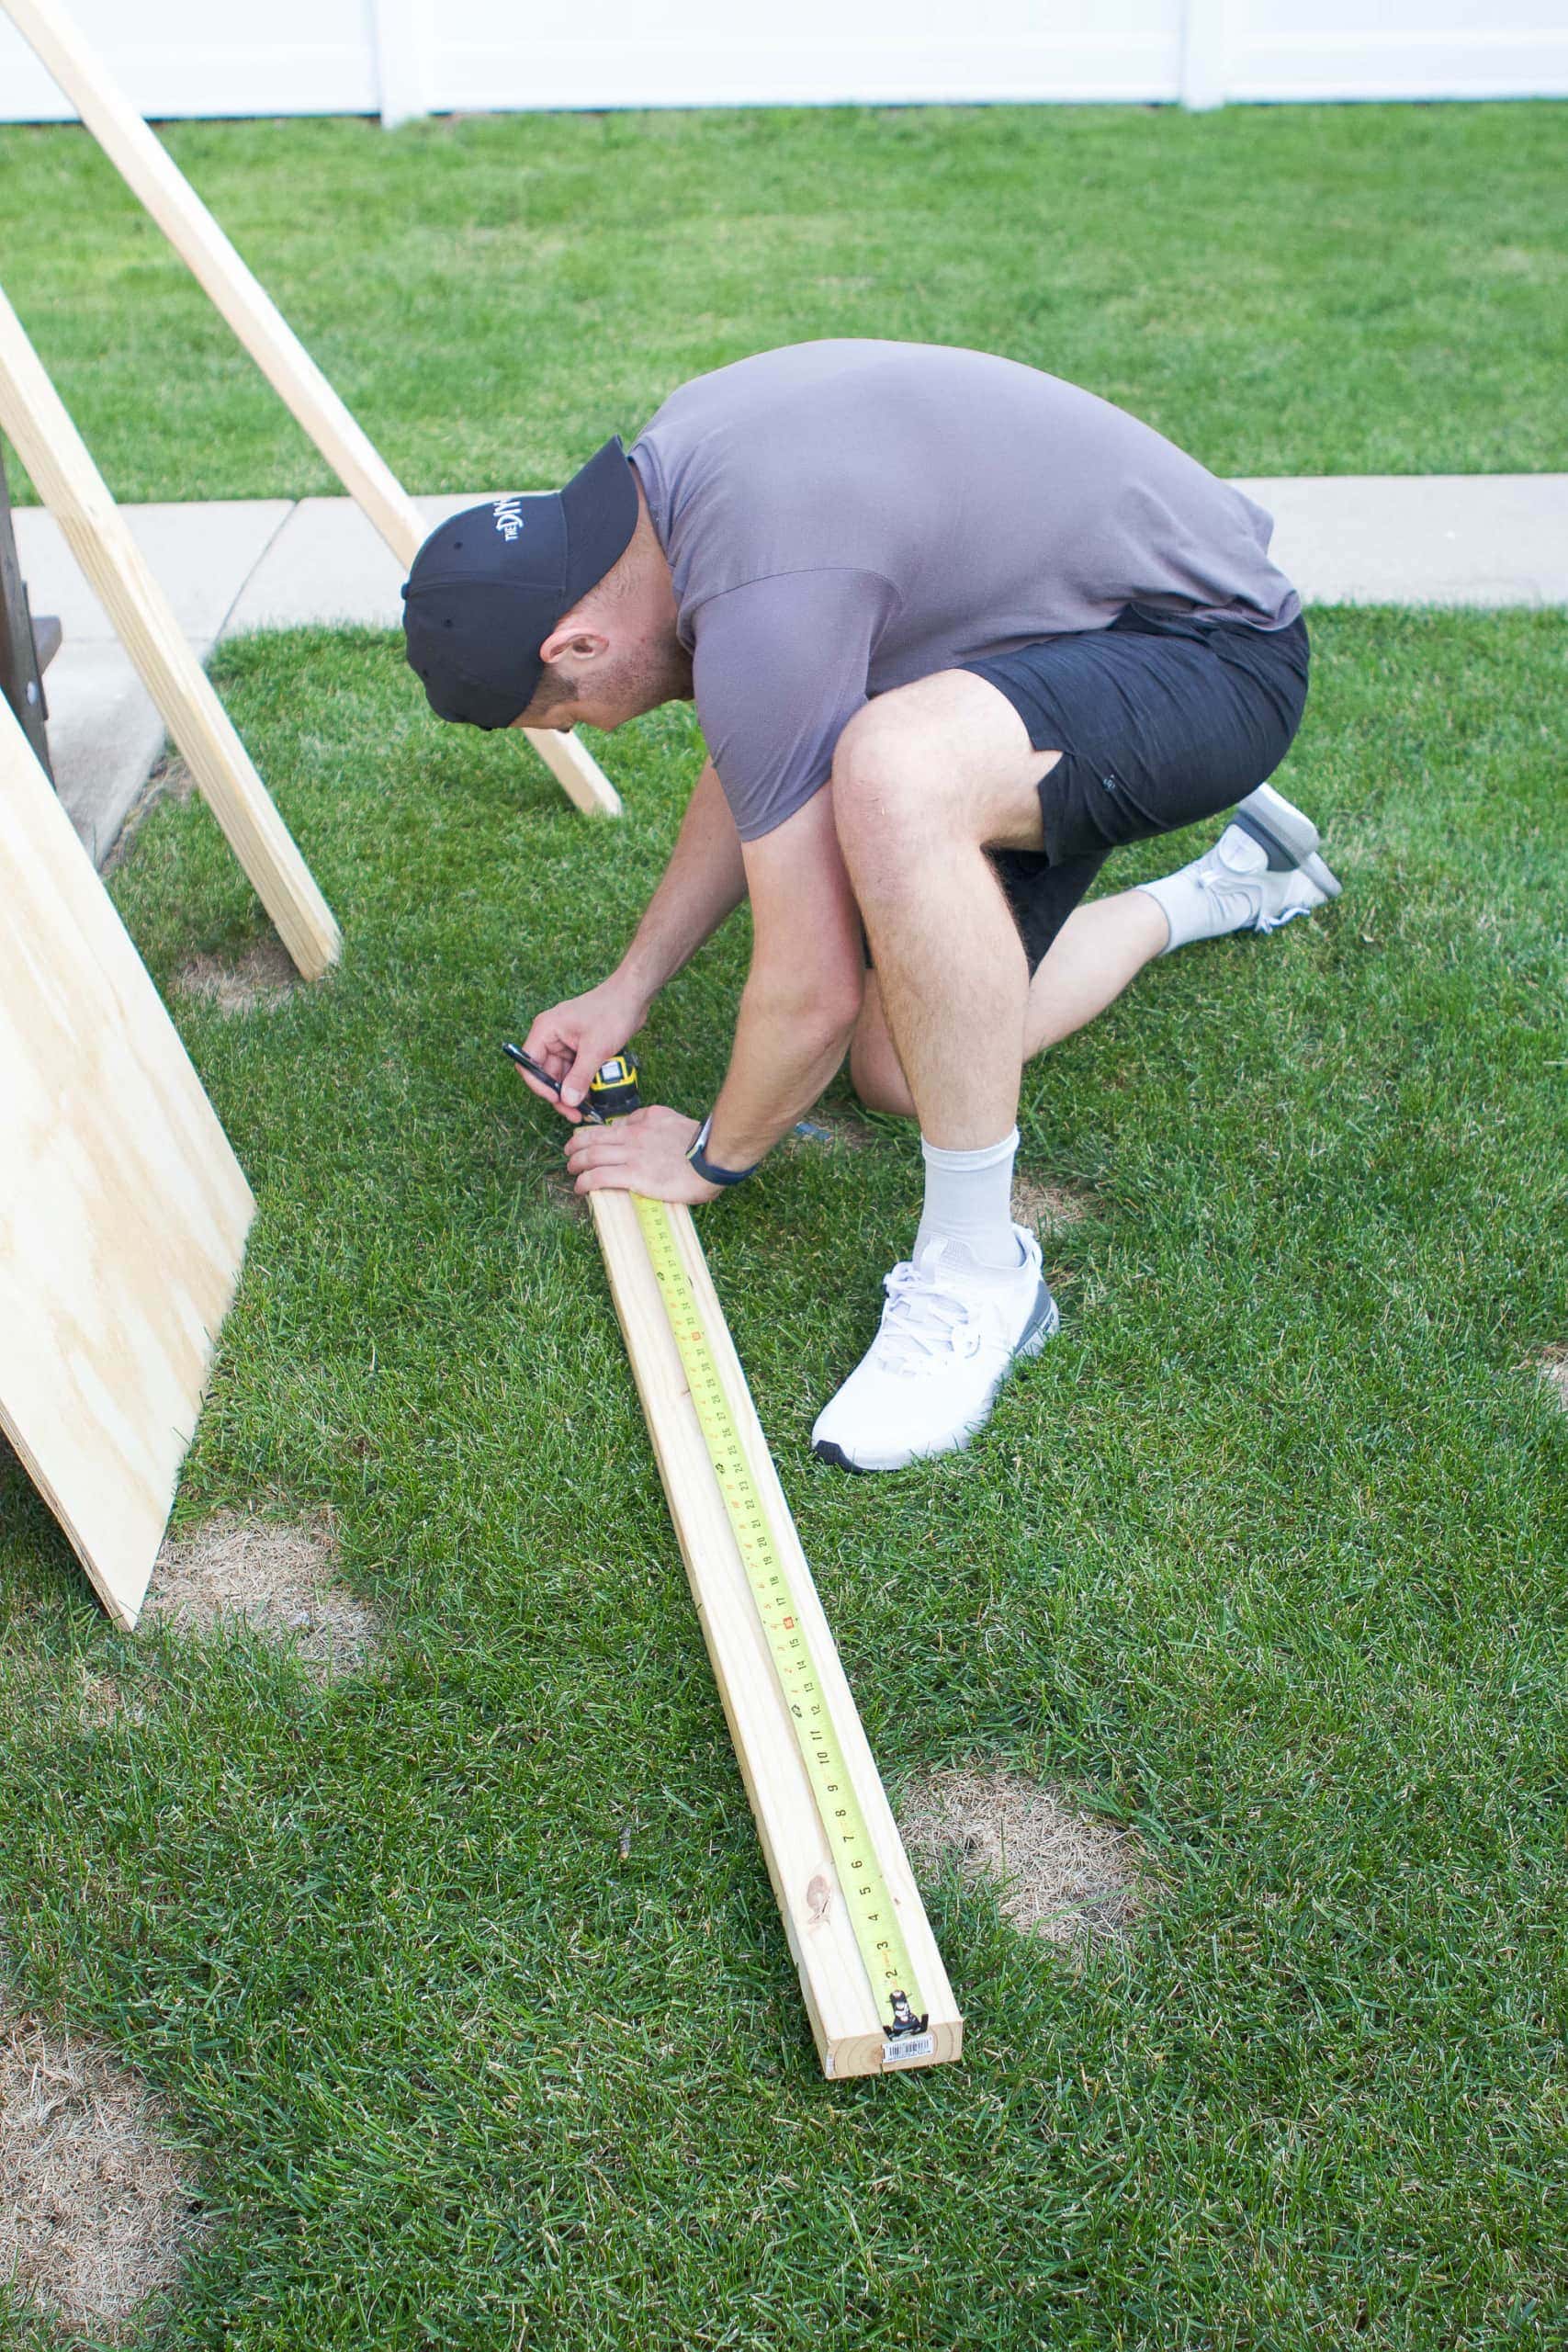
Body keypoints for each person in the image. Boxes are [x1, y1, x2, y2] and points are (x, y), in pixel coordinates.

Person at [401, 341, 1339, 1473]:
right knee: (903, 1069)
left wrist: (710, 1158)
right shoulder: (674, 497)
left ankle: (979, 1272)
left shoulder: (758, 583)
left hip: (1212, 653)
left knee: (891, 769)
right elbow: (766, 738)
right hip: (1054, 643)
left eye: (568, 715)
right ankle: (1228, 885)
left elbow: (808, 992)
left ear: (578, 644)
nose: (597, 729)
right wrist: (627, 986)